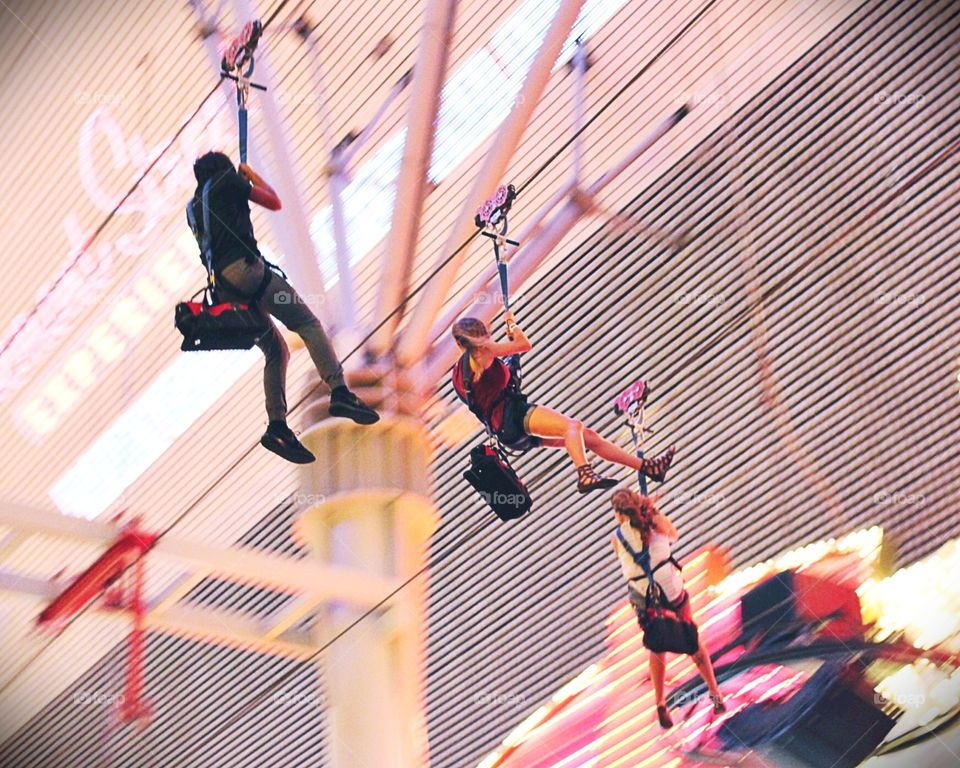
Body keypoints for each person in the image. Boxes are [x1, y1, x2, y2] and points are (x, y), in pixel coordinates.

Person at [188, 151, 378, 463]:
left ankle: (277, 425)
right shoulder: (227, 180)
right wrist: (250, 174)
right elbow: (274, 202)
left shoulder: (193, 207)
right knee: (307, 324)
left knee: (276, 351)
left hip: (224, 288)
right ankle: (339, 391)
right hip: (248, 274)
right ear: (223, 167)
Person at [451, 314, 674, 493]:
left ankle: (649, 468)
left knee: (587, 438)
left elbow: (488, 394)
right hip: (515, 415)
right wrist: (513, 326)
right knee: (573, 427)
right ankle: (584, 473)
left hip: (508, 434)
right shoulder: (485, 351)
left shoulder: (458, 377)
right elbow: (524, 344)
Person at [610, 488, 725, 728]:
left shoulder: (617, 538)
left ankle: (660, 702)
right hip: (670, 587)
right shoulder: (656, 522)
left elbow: (626, 557)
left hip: (644, 597)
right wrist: (653, 511)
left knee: (657, 645)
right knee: (690, 635)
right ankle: (715, 694)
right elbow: (674, 535)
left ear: (619, 514)